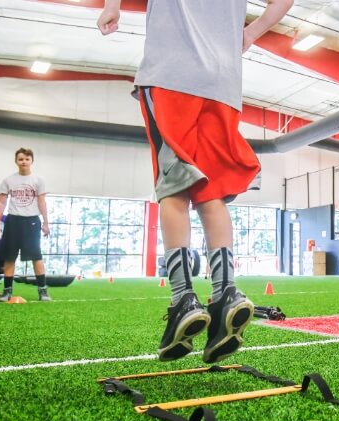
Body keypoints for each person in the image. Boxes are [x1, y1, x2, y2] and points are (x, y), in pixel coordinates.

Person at [96, 0, 293, 363]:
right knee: (210, 191)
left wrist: (112, 6)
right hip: (223, 83)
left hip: (172, 74)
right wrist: (248, 33)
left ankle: (183, 297)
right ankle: (224, 294)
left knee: (174, 188)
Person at [0, 148, 51, 303]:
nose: (23, 162)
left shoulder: (39, 180)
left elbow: (42, 202)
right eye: (20, 159)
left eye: (26, 159)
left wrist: (45, 222)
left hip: (31, 221)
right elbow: (2, 202)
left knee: (36, 257)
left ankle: (43, 291)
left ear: (32, 161)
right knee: (9, 257)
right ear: (16, 161)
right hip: (13, 221)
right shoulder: (8, 180)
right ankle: (7, 292)